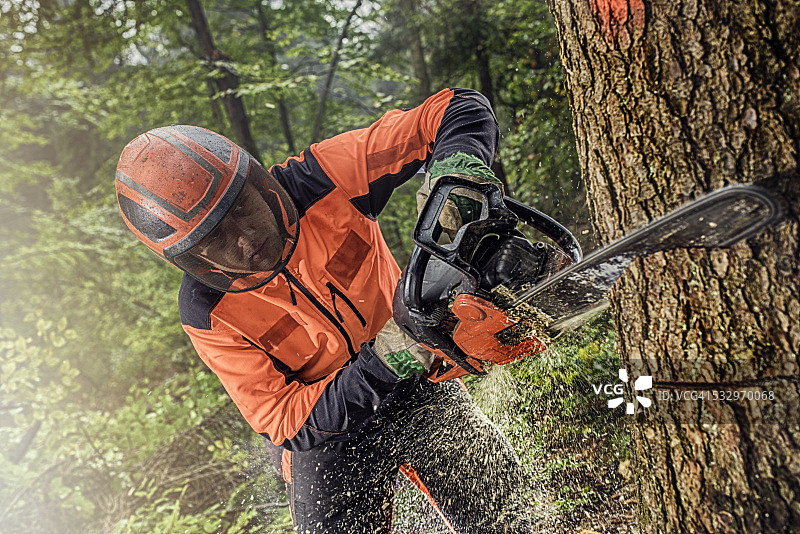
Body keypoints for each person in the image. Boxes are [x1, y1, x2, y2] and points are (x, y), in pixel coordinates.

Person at [115, 88, 534, 533]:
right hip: (330, 439)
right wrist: (390, 356)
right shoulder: (206, 310)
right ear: (191, 258)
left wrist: (457, 176)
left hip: (421, 383)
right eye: (216, 239)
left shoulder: (320, 179)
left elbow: (455, 108)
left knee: (507, 519)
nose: (244, 238)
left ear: (259, 184)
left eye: (243, 210)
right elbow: (283, 419)